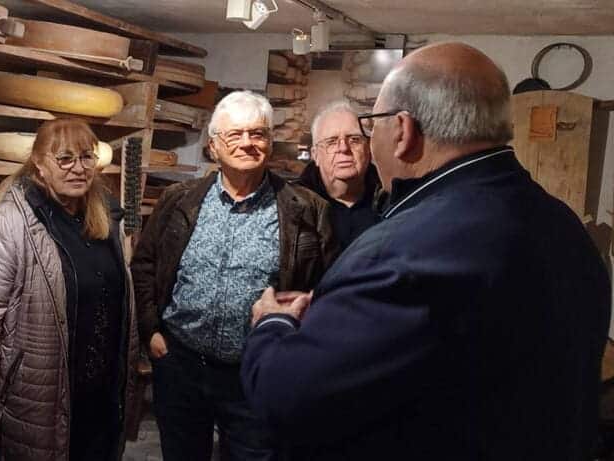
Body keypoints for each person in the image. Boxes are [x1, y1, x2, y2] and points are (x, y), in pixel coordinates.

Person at [243, 42, 612, 461]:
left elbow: (285, 396)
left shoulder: (405, 249)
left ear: (403, 130)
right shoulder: (561, 223)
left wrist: (273, 324)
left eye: (370, 125)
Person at [131, 90, 336, 461]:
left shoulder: (306, 209)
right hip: (181, 365)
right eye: (235, 134)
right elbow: (145, 264)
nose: (247, 143)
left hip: (256, 372)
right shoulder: (179, 200)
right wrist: (151, 331)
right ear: (213, 146)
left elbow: (325, 290)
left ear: (270, 143)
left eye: (258, 134)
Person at [0, 119, 138, 461]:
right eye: (65, 159)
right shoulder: (9, 224)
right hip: (40, 400)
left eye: (86, 157)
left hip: (100, 398)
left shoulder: (105, 218)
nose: (78, 169)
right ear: (39, 164)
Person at [297, 100, 382, 248]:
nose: (343, 148)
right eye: (331, 141)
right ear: (315, 155)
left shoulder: (391, 201)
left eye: (354, 140)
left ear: (368, 149)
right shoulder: (293, 206)